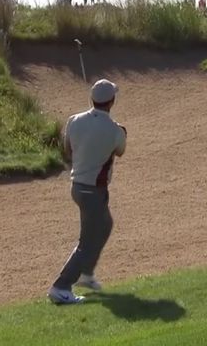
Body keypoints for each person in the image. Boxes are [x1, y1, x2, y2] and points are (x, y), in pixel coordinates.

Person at [47, 79, 128, 305]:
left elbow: (68, 149)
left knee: (106, 225)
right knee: (87, 243)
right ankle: (61, 287)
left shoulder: (73, 121)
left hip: (78, 187)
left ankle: (86, 273)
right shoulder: (116, 131)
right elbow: (120, 151)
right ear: (111, 101)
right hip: (94, 191)